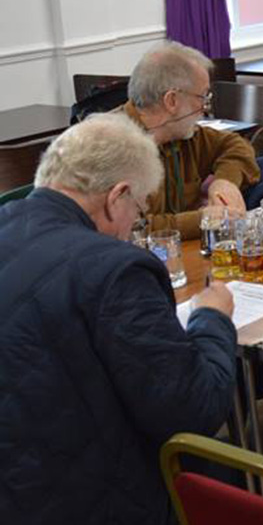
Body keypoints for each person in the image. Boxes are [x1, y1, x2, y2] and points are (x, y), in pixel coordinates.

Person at [0, 114, 237, 524]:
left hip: (20, 476)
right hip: (88, 498)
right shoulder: (115, 269)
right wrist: (212, 318)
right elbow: (194, 410)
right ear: (118, 195)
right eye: (140, 210)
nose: (133, 227)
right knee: (225, 474)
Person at [123, 41, 260, 239]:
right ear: (172, 101)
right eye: (203, 97)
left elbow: (235, 146)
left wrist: (225, 182)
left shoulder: (180, 132)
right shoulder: (113, 148)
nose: (205, 108)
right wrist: (203, 219)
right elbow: (132, 229)